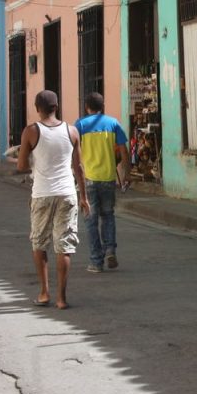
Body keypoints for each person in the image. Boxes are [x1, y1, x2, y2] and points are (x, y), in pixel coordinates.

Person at [14, 90, 89, 309]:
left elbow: (21, 166)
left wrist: (31, 163)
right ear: (56, 107)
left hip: (42, 194)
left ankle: (45, 292)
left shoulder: (30, 132)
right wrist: (83, 197)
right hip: (67, 193)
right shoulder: (72, 131)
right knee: (63, 246)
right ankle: (61, 298)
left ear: (37, 108)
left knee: (39, 243)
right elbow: (79, 168)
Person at [75, 92, 129, 272]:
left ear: (86, 107)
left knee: (91, 220)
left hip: (88, 179)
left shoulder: (80, 125)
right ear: (102, 106)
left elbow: (73, 153)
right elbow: (124, 151)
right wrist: (126, 175)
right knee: (108, 215)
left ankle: (96, 262)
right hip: (108, 178)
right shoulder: (114, 123)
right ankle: (110, 250)